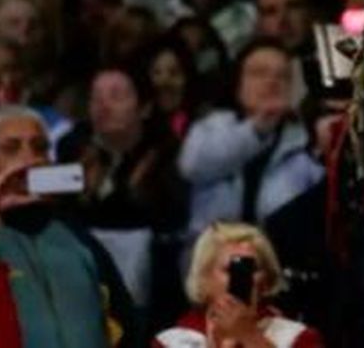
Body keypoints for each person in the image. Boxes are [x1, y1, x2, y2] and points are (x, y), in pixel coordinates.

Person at [0, 105, 139, 348]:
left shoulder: (78, 238)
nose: (29, 158)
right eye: (11, 148)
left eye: (39, 147)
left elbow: (126, 324)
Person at [59, 65, 189, 322]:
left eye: (116, 97)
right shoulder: (71, 148)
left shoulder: (167, 153)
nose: (103, 106)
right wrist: (83, 194)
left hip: (152, 287)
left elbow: (174, 222)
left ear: (145, 107)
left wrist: (138, 193)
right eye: (96, 98)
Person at [178, 41, 324, 237]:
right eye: (259, 73)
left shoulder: (305, 141)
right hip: (213, 254)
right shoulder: (212, 126)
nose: (271, 82)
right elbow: (193, 166)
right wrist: (258, 128)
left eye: (282, 76)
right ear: (238, 84)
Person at [153, 222, 323, 348]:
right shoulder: (170, 343)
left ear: (266, 281)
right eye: (230, 270)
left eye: (252, 268)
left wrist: (251, 337)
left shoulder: (298, 338)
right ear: (204, 278)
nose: (243, 278)